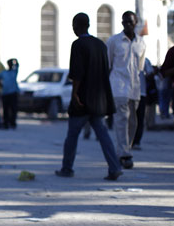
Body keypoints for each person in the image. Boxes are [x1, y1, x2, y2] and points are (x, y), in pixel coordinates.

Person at [55, 13, 122, 181]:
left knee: (72, 135)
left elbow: (77, 73)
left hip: (83, 99)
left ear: (76, 26)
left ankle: (67, 168)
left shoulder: (78, 45)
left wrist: (75, 94)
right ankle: (114, 167)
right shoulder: (100, 45)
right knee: (103, 135)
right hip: (98, 99)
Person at [107, 11, 146, 169]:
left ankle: (123, 150)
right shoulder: (114, 41)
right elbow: (108, 65)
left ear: (136, 23)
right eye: (124, 22)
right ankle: (124, 153)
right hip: (118, 87)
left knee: (132, 122)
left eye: (130, 22)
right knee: (121, 120)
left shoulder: (141, 43)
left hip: (134, 88)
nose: (127, 25)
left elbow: (140, 67)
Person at [132, 58, 155, 149]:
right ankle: (128, 140)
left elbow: (150, 74)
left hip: (141, 93)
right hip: (128, 93)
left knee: (139, 119)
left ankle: (136, 141)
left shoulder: (145, 60)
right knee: (130, 118)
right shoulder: (124, 56)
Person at [0, 58, 19, 129]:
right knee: (5, 109)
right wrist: (0, 85)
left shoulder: (14, 71)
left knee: (13, 109)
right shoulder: (4, 73)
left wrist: (15, 60)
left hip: (13, 93)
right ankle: (6, 123)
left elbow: (17, 65)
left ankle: (12, 123)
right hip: (5, 93)